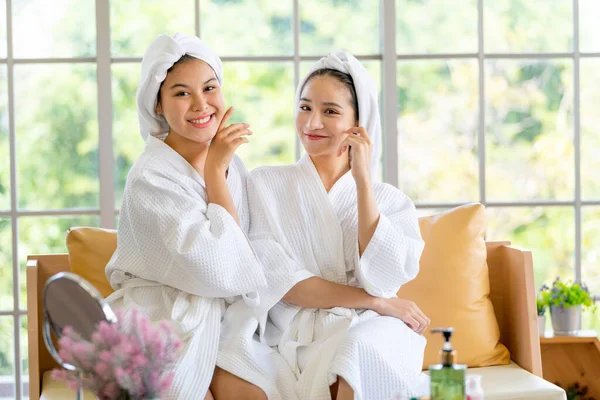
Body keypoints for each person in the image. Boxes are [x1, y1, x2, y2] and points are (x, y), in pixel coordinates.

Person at [246, 51, 431, 399]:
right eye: (305, 108)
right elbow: (282, 281)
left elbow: (385, 277)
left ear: (358, 125)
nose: (312, 123)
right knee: (348, 349)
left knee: (358, 346)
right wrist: (375, 302)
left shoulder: (390, 200)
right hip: (301, 332)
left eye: (330, 111)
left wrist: (363, 182)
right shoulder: (264, 185)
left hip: (376, 328)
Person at [105, 32, 271, 400]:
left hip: (225, 316)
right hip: (162, 315)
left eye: (209, 88)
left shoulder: (233, 164)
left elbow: (242, 253)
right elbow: (215, 266)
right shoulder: (150, 176)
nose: (201, 104)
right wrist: (214, 171)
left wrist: (219, 168)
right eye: (182, 93)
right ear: (158, 105)